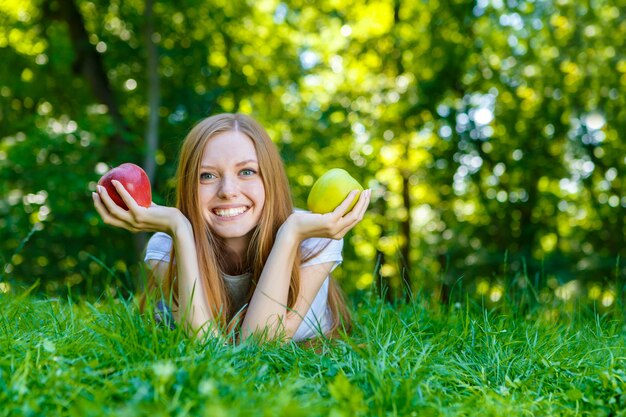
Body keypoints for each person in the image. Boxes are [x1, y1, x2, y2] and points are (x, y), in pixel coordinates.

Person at [92, 113, 370, 342]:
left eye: (247, 171)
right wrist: (179, 227)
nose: (227, 190)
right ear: (189, 186)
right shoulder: (167, 247)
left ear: (269, 178)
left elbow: (259, 346)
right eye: (207, 175)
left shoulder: (313, 236)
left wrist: (291, 233)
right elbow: (206, 348)